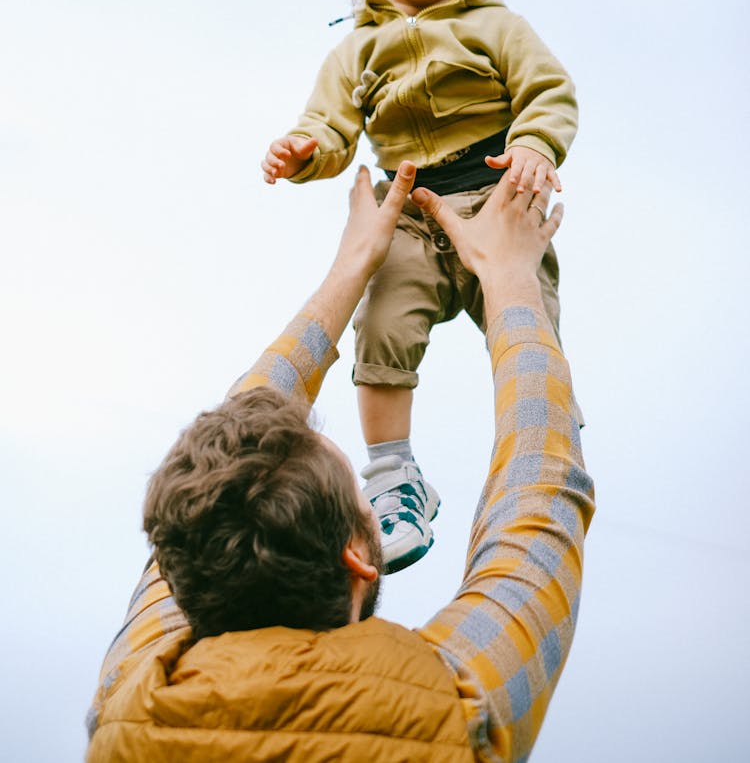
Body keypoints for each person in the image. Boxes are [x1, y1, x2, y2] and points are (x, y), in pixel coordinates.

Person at [86, 162, 594, 763]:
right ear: (355, 554)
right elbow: (537, 492)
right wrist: (510, 279)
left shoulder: (131, 708)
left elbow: (541, 497)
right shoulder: (453, 707)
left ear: (178, 564)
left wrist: (352, 267)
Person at [261, 0, 579, 572]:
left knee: (521, 318)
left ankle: (549, 424)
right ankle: (394, 478)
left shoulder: (497, 26)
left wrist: (535, 146)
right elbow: (333, 127)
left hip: (495, 192)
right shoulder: (355, 50)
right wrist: (306, 151)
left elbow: (548, 90)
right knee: (381, 329)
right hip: (406, 207)